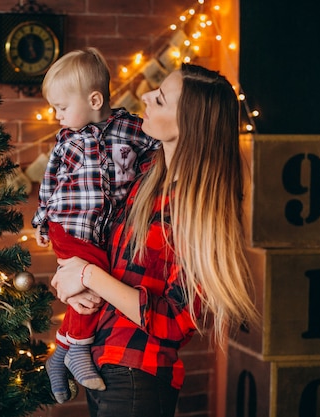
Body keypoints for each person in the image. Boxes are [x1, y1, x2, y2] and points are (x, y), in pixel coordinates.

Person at [50, 63, 258, 417]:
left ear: (187, 124)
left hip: (138, 375)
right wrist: (73, 281)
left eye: (160, 99)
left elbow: (175, 322)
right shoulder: (146, 175)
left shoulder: (198, 209)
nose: (145, 95)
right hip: (102, 359)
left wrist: (87, 276)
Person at [31, 47, 158, 403]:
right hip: (69, 225)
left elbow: (158, 146)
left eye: (61, 107)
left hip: (101, 230)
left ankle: (61, 352)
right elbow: (50, 181)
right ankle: (78, 349)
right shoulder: (66, 140)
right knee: (96, 280)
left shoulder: (131, 129)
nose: (56, 115)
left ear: (95, 99)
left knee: (98, 279)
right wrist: (41, 218)